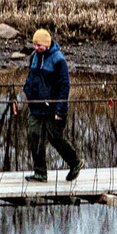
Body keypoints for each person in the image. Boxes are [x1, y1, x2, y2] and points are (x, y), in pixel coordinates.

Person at [22, 28, 80, 180]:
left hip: (53, 107)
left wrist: (60, 110)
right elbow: (31, 77)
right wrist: (27, 90)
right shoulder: (34, 57)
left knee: (55, 138)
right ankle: (40, 172)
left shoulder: (58, 59)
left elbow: (64, 86)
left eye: (39, 45)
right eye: (34, 45)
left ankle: (75, 162)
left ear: (47, 44)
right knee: (35, 135)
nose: (36, 48)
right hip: (36, 105)